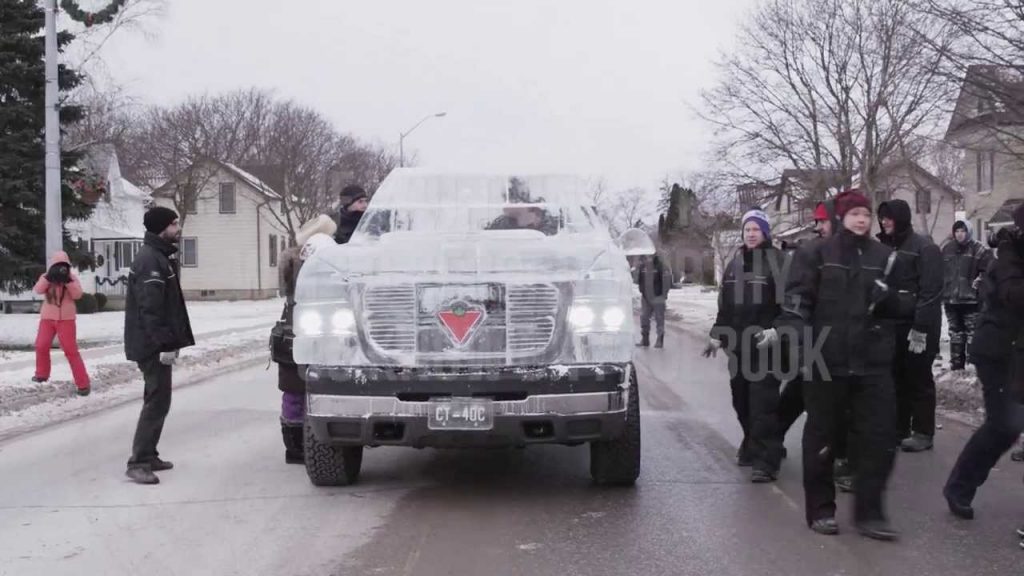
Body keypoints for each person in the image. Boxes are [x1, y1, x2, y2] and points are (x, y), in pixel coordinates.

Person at [779, 189, 902, 540]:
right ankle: (821, 510)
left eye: (866, 213)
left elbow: (903, 306)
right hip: (826, 362)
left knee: (880, 439)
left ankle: (870, 512)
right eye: (854, 214)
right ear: (839, 218)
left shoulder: (885, 256)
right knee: (823, 438)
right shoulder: (815, 253)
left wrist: (889, 298)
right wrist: (803, 346)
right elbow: (796, 305)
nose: (862, 219)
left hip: (872, 364)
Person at [943, 215, 1024, 522]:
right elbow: (1014, 294)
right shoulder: (1007, 255)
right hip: (999, 352)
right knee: (1005, 425)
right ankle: (959, 487)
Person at [704, 209, 785, 482]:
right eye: (747, 229)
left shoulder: (778, 262)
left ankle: (767, 460)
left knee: (763, 405)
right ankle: (753, 443)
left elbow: (791, 305)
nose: (751, 234)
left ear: (765, 232)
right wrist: (717, 335)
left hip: (766, 347)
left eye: (756, 229)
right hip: (738, 347)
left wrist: (777, 330)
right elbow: (725, 306)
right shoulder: (735, 265)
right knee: (741, 402)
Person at [123, 206, 195, 485]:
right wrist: (164, 343)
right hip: (151, 344)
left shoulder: (159, 257)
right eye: (174, 224)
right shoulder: (150, 261)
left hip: (153, 341)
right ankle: (138, 462)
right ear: (161, 228)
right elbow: (150, 309)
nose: (178, 229)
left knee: (159, 399)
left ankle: (149, 454)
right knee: (156, 401)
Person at [876, 200, 943, 453]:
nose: (884, 222)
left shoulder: (924, 247)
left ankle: (923, 431)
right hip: (893, 323)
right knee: (896, 377)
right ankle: (899, 428)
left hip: (918, 324)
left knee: (919, 377)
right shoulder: (884, 247)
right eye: (881, 218)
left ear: (901, 218)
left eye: (889, 218)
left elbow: (931, 291)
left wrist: (921, 327)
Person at [272, 215, 339, 464]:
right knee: (297, 391)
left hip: (295, 332)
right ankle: (298, 445)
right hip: (302, 333)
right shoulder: (314, 262)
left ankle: (297, 445)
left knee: (294, 392)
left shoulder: (292, 262)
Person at [32, 251, 91, 396]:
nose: (60, 269)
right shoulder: (46, 277)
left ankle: (83, 384)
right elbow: (38, 290)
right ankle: (42, 374)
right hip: (47, 318)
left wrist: (68, 281)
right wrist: (48, 277)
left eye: (63, 266)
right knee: (41, 345)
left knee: (71, 351)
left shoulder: (72, 278)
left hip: (66, 319)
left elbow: (77, 295)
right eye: (57, 266)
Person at [940, 219, 991, 371]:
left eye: (963, 231)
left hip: (971, 301)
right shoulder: (947, 249)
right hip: (951, 299)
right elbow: (940, 271)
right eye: (957, 231)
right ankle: (956, 366)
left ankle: (972, 366)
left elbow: (988, 271)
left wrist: (979, 283)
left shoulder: (979, 249)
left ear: (968, 232)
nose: (960, 234)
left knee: (972, 334)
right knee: (955, 333)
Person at [633, 253, 673, 348]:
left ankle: (659, 339)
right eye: (646, 256)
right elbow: (637, 280)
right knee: (644, 317)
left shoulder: (661, 266)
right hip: (646, 297)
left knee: (659, 319)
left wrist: (663, 294)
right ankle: (645, 339)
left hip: (658, 297)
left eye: (649, 256)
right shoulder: (642, 267)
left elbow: (667, 281)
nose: (648, 257)